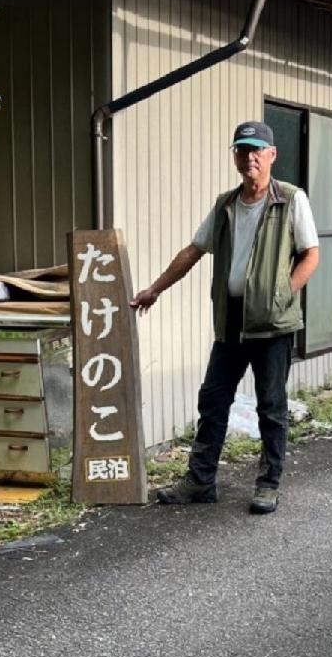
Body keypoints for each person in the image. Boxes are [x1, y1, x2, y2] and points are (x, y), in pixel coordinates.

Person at [130, 121, 319, 514]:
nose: (249, 157)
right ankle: (200, 481)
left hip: (272, 323)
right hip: (231, 320)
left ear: (271, 155)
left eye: (257, 150)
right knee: (213, 400)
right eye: (242, 150)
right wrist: (155, 289)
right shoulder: (226, 206)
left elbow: (310, 254)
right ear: (235, 155)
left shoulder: (291, 199)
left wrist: (284, 292)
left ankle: (268, 484)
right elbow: (194, 250)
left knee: (271, 405)